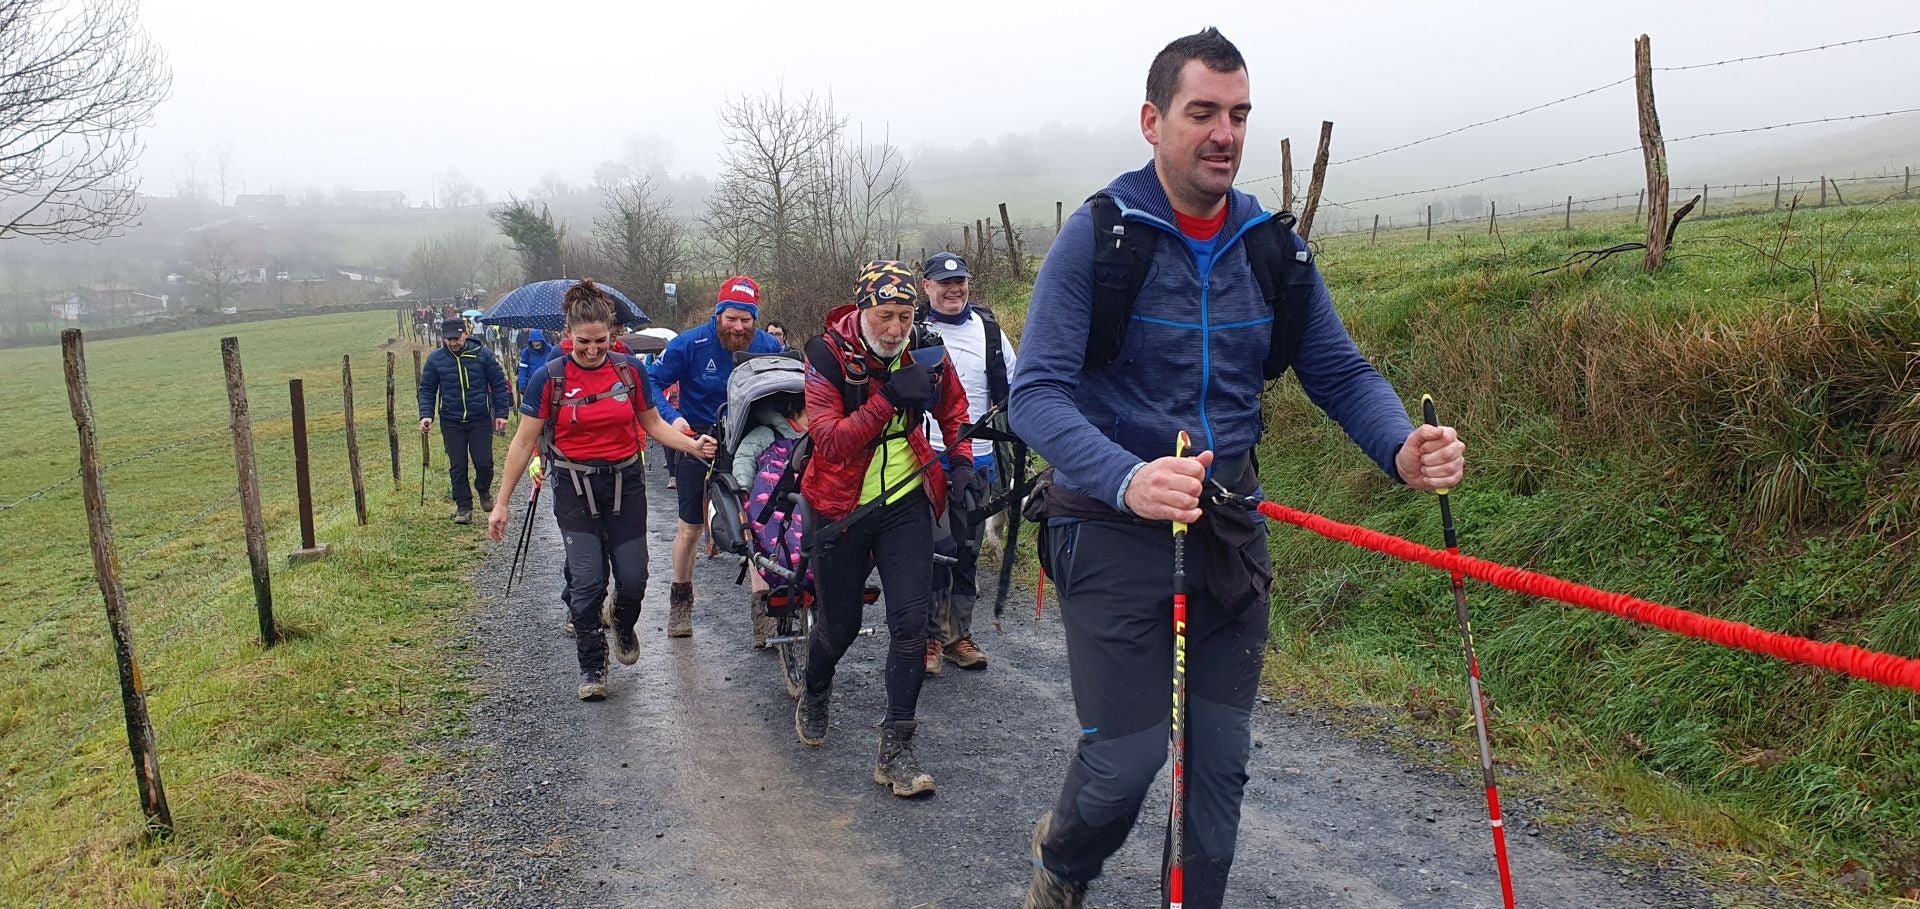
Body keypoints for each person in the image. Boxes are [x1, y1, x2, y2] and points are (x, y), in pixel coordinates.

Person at [1009, 29, 1465, 908]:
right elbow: (1036, 395)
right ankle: (1064, 863)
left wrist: (1401, 445)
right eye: (1203, 112)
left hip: (1228, 534)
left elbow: (1340, 371)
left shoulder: (1270, 247)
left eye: (1240, 115)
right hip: (1108, 529)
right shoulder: (1102, 237)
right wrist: (1129, 477)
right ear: (1153, 121)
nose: (1225, 133)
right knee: (1127, 758)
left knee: (1218, 772)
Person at [488, 280, 717, 701]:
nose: (592, 350)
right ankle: (592, 666)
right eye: (582, 343)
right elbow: (523, 443)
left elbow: (652, 423)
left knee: (633, 577)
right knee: (587, 582)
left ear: (612, 335)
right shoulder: (549, 378)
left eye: (600, 341)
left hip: (625, 483)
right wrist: (502, 503)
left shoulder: (629, 372)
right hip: (574, 486)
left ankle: (624, 622)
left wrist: (692, 445)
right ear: (566, 336)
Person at [793, 260, 972, 799]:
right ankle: (816, 687)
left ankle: (896, 748)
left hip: (906, 501)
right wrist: (889, 397)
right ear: (863, 309)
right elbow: (830, 442)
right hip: (840, 506)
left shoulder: (926, 349)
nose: (895, 328)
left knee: (911, 626)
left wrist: (960, 460)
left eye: (904, 314)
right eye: (885, 315)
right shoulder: (825, 355)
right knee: (839, 627)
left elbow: (954, 410)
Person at [645, 276, 783, 638]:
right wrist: (673, 420)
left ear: (756, 317)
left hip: (750, 438)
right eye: (731, 318)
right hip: (698, 439)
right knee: (690, 528)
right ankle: (680, 601)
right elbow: (652, 383)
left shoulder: (769, 345)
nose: (738, 327)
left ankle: (763, 613)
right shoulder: (690, 344)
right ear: (718, 313)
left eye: (746, 319)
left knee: (758, 523)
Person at [916, 251, 1016, 675]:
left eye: (960, 283)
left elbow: (1015, 387)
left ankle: (959, 636)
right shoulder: (915, 332)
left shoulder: (990, 331)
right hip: (925, 457)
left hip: (980, 459)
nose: (954, 290)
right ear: (927, 287)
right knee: (933, 549)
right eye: (944, 283)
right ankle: (927, 639)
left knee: (968, 549)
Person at [727, 387, 808, 648]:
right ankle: (762, 615)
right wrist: (742, 488)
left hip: (804, 499)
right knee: (762, 542)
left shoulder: (816, 435)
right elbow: (744, 460)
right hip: (769, 502)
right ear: (794, 411)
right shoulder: (764, 434)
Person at [419, 317, 512, 524]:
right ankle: (464, 507)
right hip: (451, 420)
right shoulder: (436, 360)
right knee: (458, 465)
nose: (453, 342)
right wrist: (426, 415)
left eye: (456, 338)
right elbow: (427, 389)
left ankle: (483, 489)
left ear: (465, 334)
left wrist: (502, 414)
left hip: (479, 418)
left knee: (484, 463)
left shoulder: (483, 355)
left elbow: (498, 384)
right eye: (448, 339)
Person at [515, 329, 552, 404]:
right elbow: (523, 369)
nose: (536, 343)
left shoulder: (550, 349)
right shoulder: (526, 353)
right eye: (533, 341)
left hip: (548, 384)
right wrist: (522, 384)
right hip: (532, 384)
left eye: (538, 340)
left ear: (542, 340)